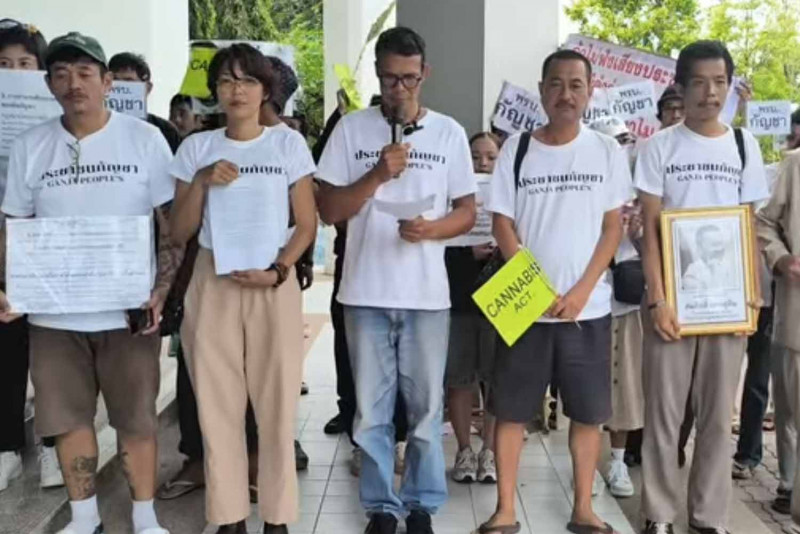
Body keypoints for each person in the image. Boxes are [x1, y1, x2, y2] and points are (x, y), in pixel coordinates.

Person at [0, 31, 181, 534]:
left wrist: (162, 290)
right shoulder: (31, 146)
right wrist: (7, 284)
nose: (72, 84)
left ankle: (145, 519)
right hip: (54, 315)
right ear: (48, 84)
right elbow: (12, 226)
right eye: (60, 74)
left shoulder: (144, 139)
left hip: (129, 311)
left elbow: (170, 226)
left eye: (84, 73)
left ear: (106, 81)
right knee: (67, 420)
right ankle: (85, 520)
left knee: (137, 420)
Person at [316, 27, 477, 534]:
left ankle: (422, 506)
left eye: (408, 79)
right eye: (389, 80)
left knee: (427, 413)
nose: (399, 90)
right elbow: (326, 209)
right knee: (370, 413)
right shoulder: (350, 131)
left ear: (424, 75)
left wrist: (432, 230)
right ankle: (382, 507)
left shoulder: (449, 132)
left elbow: (467, 212)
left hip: (426, 297)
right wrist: (376, 177)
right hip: (364, 293)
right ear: (378, 77)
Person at [480, 49, 630, 534]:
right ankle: (505, 510)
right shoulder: (518, 149)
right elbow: (502, 222)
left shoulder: (607, 150)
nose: (566, 94)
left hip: (587, 309)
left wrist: (583, 290)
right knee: (511, 411)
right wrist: (533, 285)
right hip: (527, 307)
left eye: (576, 85)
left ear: (589, 92)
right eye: (556, 84)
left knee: (587, 414)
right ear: (542, 89)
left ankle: (583, 508)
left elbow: (613, 228)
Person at [171, 43, 317, 534]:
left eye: (248, 80)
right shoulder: (196, 148)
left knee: (276, 406)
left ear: (265, 90)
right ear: (214, 90)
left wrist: (279, 271)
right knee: (217, 407)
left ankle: (276, 518)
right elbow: (178, 231)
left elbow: (306, 225)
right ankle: (230, 517)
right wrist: (201, 181)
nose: (237, 90)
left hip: (271, 284)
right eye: (227, 81)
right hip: (213, 283)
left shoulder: (286, 145)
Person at [636, 40, 768, 534]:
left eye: (720, 82)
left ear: (730, 86)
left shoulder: (742, 145)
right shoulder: (660, 146)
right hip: (673, 300)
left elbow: (749, 226)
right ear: (681, 86)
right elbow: (649, 230)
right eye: (699, 82)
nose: (710, 93)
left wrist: (752, 293)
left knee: (717, 418)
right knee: (665, 416)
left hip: (727, 302)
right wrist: (658, 297)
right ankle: (659, 515)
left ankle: (709, 516)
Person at [0, 18, 65, 493]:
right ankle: (5, 446)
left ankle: (50, 446)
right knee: (6, 344)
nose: (13, 73)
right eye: (3, 65)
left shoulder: (55, 130)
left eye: (25, 64)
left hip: (46, 245)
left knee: (48, 350)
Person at [588, 117, 644, 499]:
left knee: (624, 386)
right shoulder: (584, 183)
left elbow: (655, 250)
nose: (619, 148)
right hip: (587, 301)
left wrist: (639, 233)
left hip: (624, 301)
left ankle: (618, 461)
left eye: (624, 141)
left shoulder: (640, 192)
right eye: (612, 142)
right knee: (587, 388)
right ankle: (587, 464)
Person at [446, 131, 500, 485]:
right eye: (476, 156)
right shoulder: (452, 193)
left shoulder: (509, 193)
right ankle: (464, 449)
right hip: (460, 297)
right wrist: (469, 252)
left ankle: (491, 451)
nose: (482, 163)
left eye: (490, 157)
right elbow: (440, 245)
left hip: (500, 300)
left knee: (496, 380)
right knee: (460, 379)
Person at [757, 145, 800, 522]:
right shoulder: (794, 165)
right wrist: (782, 258)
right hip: (796, 315)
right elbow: (763, 223)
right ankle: (788, 485)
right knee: (790, 409)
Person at [108, 52, 181, 153]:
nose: (119, 87)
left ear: (147, 88)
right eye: (114, 81)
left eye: (128, 81)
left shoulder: (166, 130)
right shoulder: (93, 127)